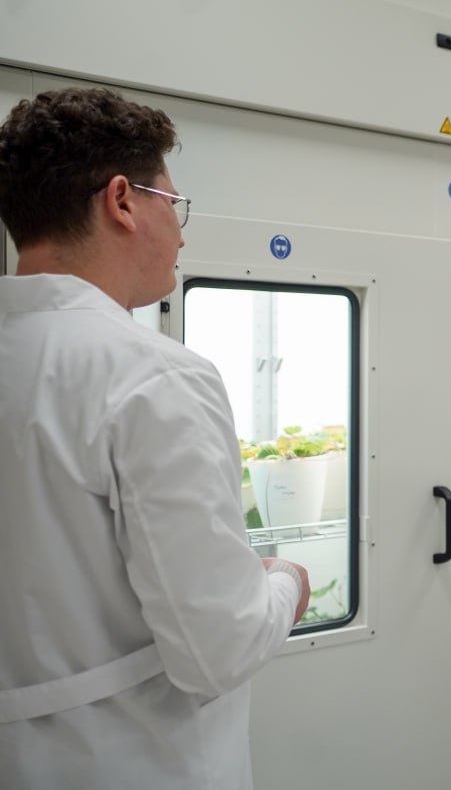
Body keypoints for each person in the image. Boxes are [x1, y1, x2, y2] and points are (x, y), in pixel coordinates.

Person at [0, 87, 310, 789]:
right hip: (135, 762)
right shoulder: (153, 376)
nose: (181, 232)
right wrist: (287, 581)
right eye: (174, 203)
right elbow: (219, 649)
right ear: (122, 201)